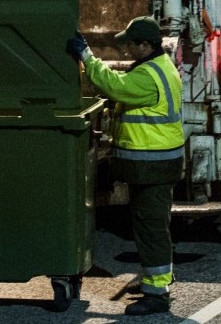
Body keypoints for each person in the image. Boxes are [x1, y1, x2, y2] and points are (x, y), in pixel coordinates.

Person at [67, 16, 184, 316]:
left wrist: (86, 56)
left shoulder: (147, 77)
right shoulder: (160, 67)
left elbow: (115, 86)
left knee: (151, 227)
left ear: (145, 45)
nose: (126, 49)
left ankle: (157, 294)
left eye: (130, 44)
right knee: (150, 224)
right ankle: (154, 281)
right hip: (156, 163)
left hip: (153, 164)